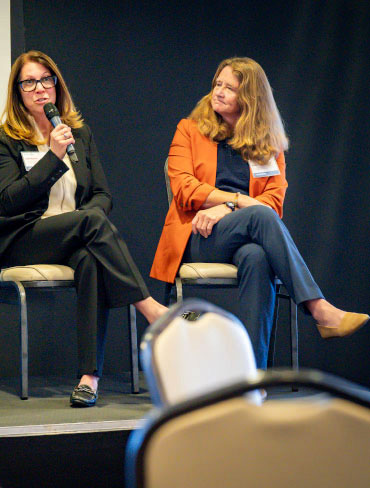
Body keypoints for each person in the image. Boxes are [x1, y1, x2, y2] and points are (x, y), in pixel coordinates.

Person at [150, 57, 369, 367]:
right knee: (260, 216)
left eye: (230, 88)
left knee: (259, 257)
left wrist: (226, 207)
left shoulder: (268, 144)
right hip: (198, 236)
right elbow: (184, 188)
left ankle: (252, 381)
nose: (219, 92)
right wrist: (239, 202)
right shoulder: (189, 130)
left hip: (243, 236)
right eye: (218, 84)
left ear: (250, 99)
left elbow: (273, 201)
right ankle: (319, 309)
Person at [0, 50, 168, 407]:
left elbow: (101, 195)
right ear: (17, 92)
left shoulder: (79, 135)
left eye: (46, 80)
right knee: (90, 224)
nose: (40, 89)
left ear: (57, 85)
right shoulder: (1, 140)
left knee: (90, 259)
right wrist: (53, 156)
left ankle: (89, 377)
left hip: (75, 235)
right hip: (25, 237)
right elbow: (10, 200)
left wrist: (90, 217)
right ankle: (148, 307)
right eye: (29, 82)